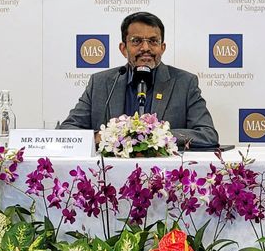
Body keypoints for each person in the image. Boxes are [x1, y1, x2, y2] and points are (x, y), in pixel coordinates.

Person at [60, 11, 219, 148]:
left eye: (153, 41)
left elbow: (207, 135)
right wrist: (101, 136)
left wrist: (156, 135)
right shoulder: (100, 83)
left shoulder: (185, 83)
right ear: (123, 48)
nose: (145, 48)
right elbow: (67, 130)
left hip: (163, 178)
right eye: (136, 41)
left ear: (162, 47)